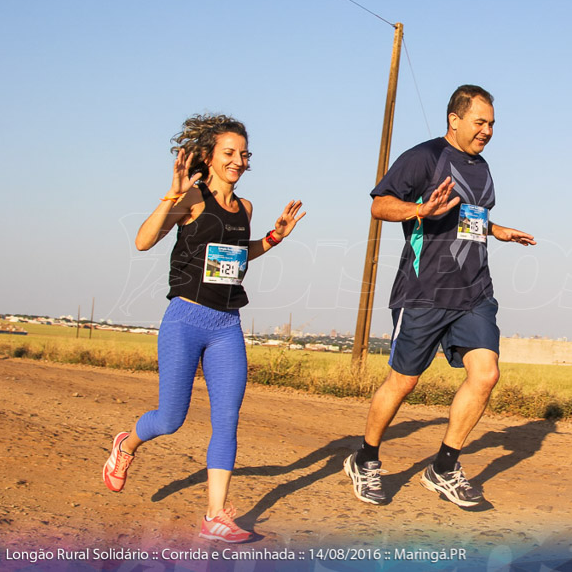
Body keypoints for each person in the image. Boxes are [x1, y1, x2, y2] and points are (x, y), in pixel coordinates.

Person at [102, 113, 305, 543]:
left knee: (227, 419)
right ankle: (126, 445)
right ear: (210, 158)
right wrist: (170, 197)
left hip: (226, 324)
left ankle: (215, 515)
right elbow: (143, 241)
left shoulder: (245, 208)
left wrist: (273, 238)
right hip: (185, 319)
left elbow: (237, 255)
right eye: (229, 153)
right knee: (171, 418)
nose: (238, 160)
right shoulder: (191, 198)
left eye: (243, 154)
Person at [344, 85, 535, 508]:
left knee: (485, 374)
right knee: (404, 381)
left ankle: (444, 467)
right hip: (424, 290)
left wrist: (495, 229)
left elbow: (469, 217)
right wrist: (418, 211)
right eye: (479, 122)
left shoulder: (482, 168)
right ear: (455, 119)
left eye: (491, 124)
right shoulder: (425, 157)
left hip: (474, 290)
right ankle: (366, 457)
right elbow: (379, 204)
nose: (487, 130)